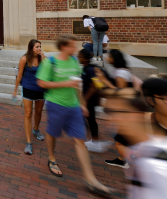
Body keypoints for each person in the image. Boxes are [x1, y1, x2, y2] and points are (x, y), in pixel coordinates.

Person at [36, 34, 112, 195]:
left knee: (80, 141)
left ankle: (90, 179)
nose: (75, 49)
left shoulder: (74, 62)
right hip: (56, 105)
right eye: (72, 46)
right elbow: (41, 82)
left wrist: (83, 104)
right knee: (52, 133)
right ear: (63, 47)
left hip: (74, 107)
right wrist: (65, 83)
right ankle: (51, 158)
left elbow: (77, 84)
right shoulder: (51, 62)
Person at [12, 39, 46, 155]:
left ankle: (36, 129)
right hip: (28, 88)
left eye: (40, 46)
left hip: (40, 88)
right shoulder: (24, 59)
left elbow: (47, 72)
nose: (39, 49)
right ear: (31, 48)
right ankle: (28, 142)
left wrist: (45, 60)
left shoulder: (42, 58)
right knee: (28, 114)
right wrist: (15, 90)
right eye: (37, 47)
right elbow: (20, 74)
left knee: (39, 111)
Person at [77, 49, 109, 153]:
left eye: (80, 56)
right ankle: (93, 140)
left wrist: (85, 100)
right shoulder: (86, 68)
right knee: (88, 118)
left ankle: (95, 142)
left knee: (90, 119)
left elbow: (94, 87)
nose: (78, 58)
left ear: (85, 58)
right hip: (89, 98)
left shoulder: (90, 69)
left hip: (90, 99)